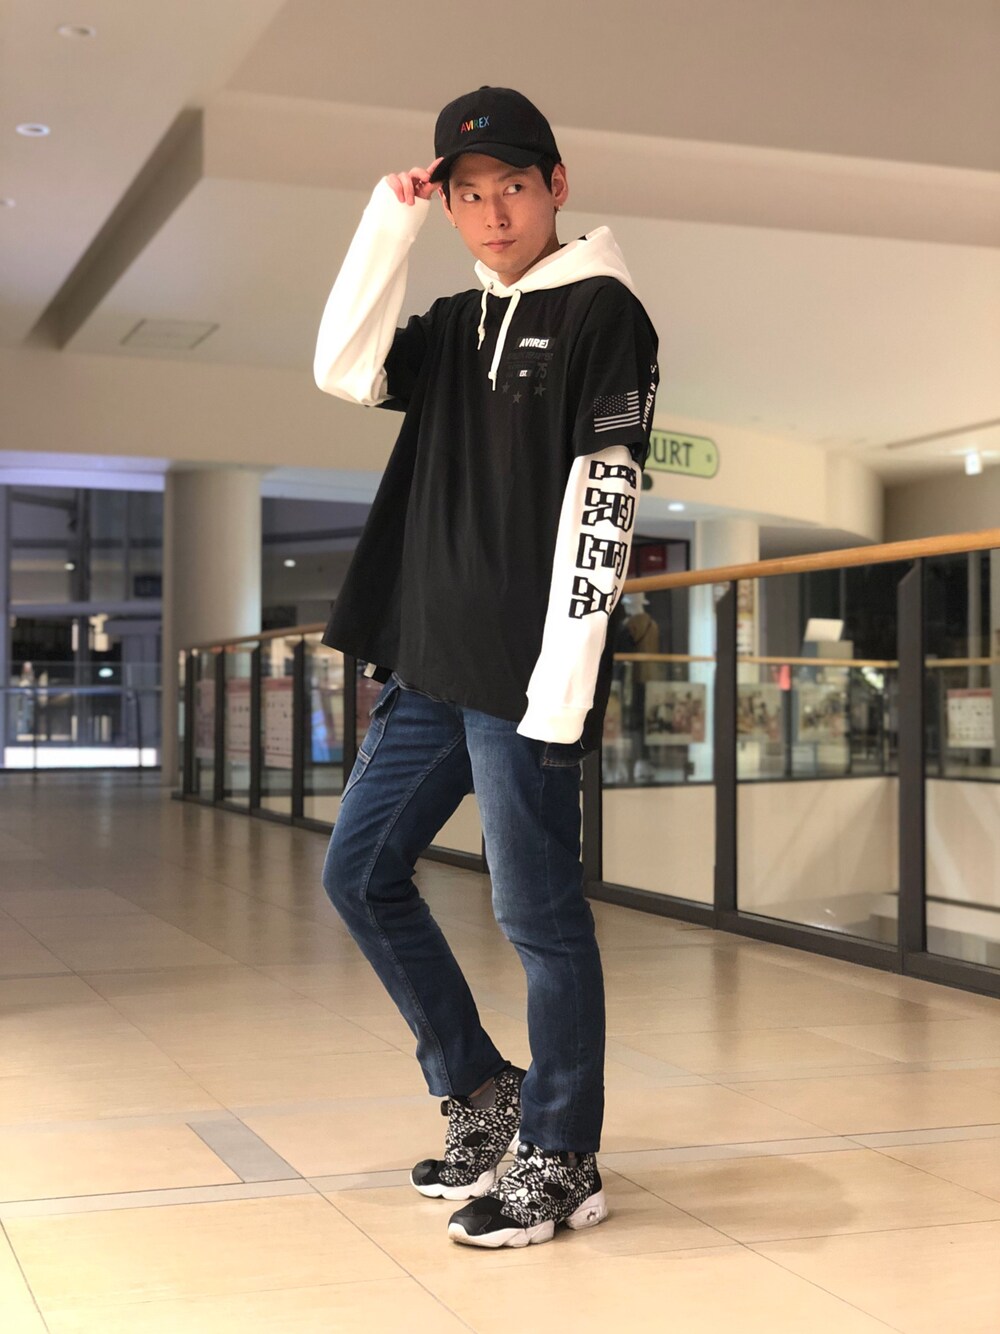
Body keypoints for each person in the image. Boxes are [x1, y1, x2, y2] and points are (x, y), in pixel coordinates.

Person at [313, 86, 659, 1249]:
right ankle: (480, 1086)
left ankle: (561, 1154)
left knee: (537, 915)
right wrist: (388, 219)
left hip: (525, 675)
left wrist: (563, 682)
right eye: (466, 194)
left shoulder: (605, 311)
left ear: (556, 185)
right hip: (429, 664)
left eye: (512, 185)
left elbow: (603, 502)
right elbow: (343, 366)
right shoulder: (459, 322)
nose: (493, 212)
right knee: (359, 873)